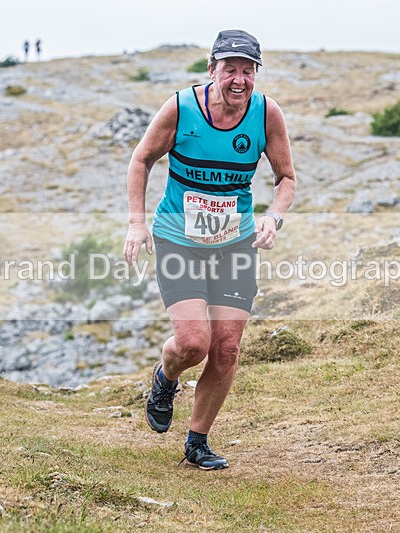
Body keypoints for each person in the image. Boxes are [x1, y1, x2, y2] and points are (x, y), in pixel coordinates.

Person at [123, 29, 296, 470]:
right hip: (179, 236)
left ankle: (196, 442)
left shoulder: (266, 114)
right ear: (212, 69)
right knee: (194, 342)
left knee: (226, 348)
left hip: (234, 241)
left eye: (248, 70)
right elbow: (141, 159)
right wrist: (136, 223)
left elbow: (286, 178)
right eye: (230, 69)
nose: (239, 79)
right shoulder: (181, 108)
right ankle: (166, 377)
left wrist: (272, 217)